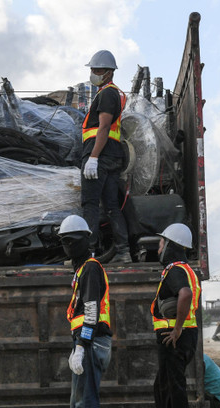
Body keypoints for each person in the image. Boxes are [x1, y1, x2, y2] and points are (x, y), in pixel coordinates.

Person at [58, 215, 112, 408]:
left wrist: (81, 345)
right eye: (65, 241)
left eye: (72, 241)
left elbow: (91, 311)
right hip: (87, 341)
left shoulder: (90, 267)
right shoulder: (82, 270)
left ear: (85, 240)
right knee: (78, 404)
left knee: (84, 404)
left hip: (91, 342)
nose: (68, 246)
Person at [80, 49, 130, 264]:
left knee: (90, 204)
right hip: (110, 155)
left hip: (100, 155)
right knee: (110, 205)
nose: (93, 73)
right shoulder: (111, 93)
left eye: (97, 70)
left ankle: (87, 254)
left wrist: (93, 157)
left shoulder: (107, 93)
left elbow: (103, 127)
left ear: (109, 73)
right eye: (92, 69)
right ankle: (123, 252)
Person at [151, 223, 201, 408]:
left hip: (175, 338)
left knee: (173, 388)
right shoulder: (188, 270)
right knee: (164, 386)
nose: (158, 249)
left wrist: (177, 328)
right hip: (185, 337)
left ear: (172, 245)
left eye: (161, 244)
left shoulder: (175, 270)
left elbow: (185, 294)